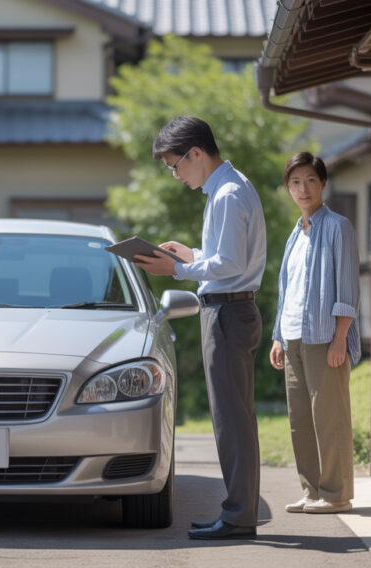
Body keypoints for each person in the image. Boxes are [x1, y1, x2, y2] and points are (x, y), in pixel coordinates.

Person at [134, 116, 266, 540]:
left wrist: (179, 268)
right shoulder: (229, 188)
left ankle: (238, 517)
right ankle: (239, 513)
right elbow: (227, 258)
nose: (175, 176)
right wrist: (192, 254)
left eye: (175, 165)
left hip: (228, 314)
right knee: (235, 420)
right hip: (230, 311)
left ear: (195, 153)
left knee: (232, 422)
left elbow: (230, 264)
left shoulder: (227, 193)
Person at [269, 152, 360, 514]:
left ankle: (336, 494)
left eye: (309, 180)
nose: (302, 188)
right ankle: (312, 491)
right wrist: (278, 335)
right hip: (292, 337)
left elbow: (348, 288)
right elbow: (287, 289)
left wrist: (341, 337)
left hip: (325, 338)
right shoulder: (295, 235)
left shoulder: (338, 227)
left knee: (330, 417)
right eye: (294, 182)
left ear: (322, 184)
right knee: (300, 421)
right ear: (288, 188)